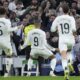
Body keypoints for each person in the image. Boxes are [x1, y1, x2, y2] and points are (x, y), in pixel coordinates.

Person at [51, 3, 76, 80]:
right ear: (68, 10)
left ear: (60, 10)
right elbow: (74, 29)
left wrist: (58, 30)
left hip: (62, 39)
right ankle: (69, 63)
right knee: (69, 53)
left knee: (63, 57)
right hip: (70, 39)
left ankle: (66, 71)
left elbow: (52, 29)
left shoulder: (58, 18)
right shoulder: (71, 18)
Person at [0, 6, 23, 77]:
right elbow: (9, 30)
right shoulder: (7, 21)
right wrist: (18, 27)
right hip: (5, 41)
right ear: (5, 13)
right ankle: (6, 73)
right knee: (9, 56)